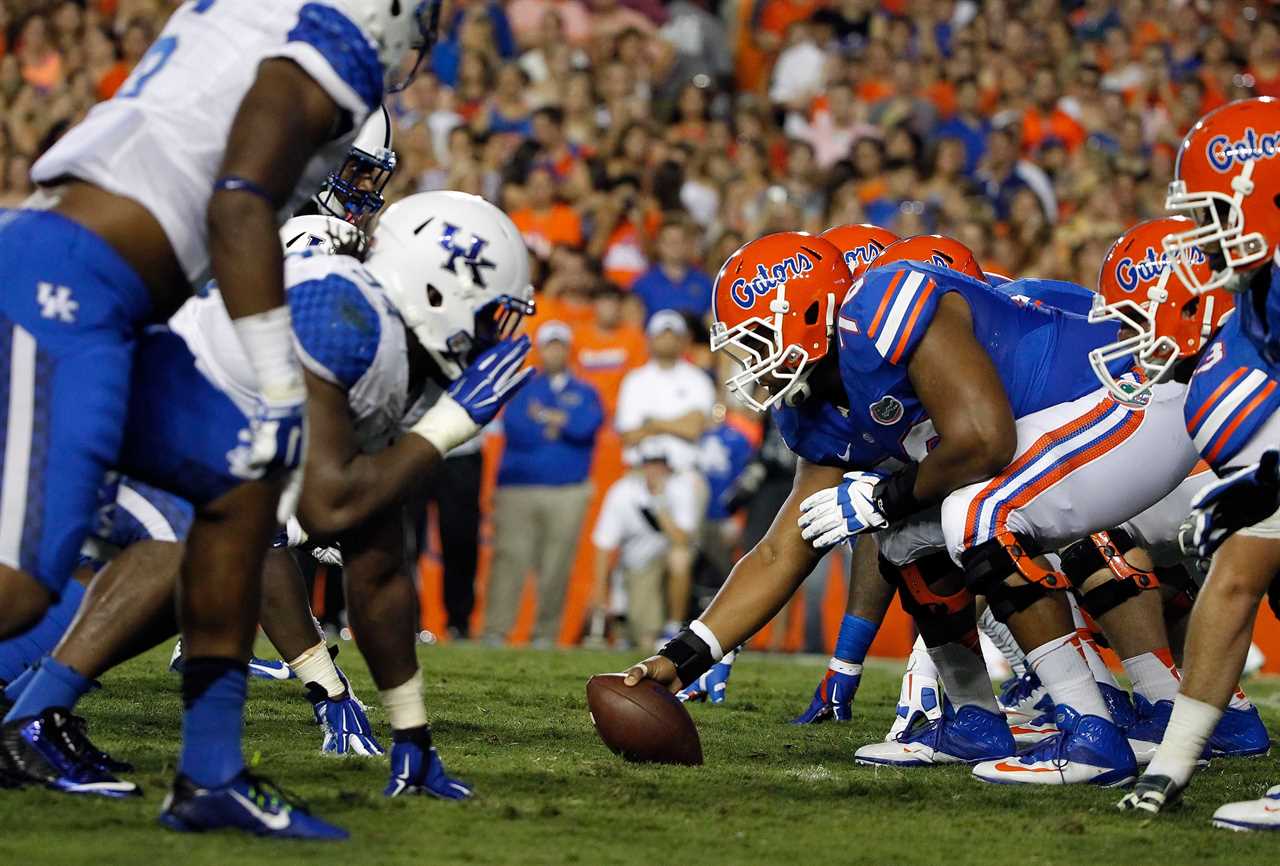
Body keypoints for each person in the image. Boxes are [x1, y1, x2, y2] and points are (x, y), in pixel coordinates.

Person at [0, 0, 430, 840]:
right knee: (22, 584)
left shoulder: (244, 19)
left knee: (238, 486)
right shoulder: (329, 35)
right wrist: (277, 385)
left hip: (117, 302)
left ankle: (210, 775)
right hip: (72, 287)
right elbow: (238, 202)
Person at [621, 230, 1200, 788]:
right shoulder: (818, 404)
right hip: (1074, 438)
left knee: (973, 513)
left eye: (755, 341)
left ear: (804, 315)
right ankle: (975, 719)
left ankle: (1088, 732)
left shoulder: (881, 308)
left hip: (1132, 400)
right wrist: (683, 656)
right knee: (904, 536)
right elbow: (782, 548)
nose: (750, 363)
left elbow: (984, 441)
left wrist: (881, 495)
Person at [1117, 97, 1280, 830]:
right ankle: (1174, 760)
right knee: (1241, 567)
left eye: (1217, 212)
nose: (1205, 237)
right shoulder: (1263, 287)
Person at [484, 320, 603, 647]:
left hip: (567, 490)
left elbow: (586, 426)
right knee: (510, 559)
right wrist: (560, 424)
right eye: (549, 344)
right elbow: (518, 428)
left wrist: (548, 418)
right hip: (518, 488)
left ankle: (545, 634)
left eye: (560, 344)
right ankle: (496, 630)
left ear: (568, 349)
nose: (554, 351)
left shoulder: (585, 390)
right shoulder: (521, 385)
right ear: (541, 348)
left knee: (557, 566)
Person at [615, 309, 713, 633]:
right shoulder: (635, 380)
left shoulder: (697, 378)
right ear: (650, 339)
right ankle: (626, 623)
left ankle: (673, 626)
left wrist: (652, 424)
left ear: (684, 339)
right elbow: (628, 433)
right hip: (639, 477)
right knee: (634, 559)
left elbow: (696, 428)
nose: (667, 340)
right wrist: (676, 424)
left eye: (673, 334)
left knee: (680, 552)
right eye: (661, 333)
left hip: (683, 476)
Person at [589, 441, 704, 649]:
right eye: (650, 464)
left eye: (660, 464)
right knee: (644, 638)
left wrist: (659, 503)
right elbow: (604, 543)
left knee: (680, 557)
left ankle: (673, 625)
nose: (655, 470)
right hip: (638, 565)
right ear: (641, 467)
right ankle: (633, 631)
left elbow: (681, 539)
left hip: (666, 559)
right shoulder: (623, 492)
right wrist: (599, 591)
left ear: (668, 467)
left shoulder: (680, 488)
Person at [630, 218, 714, 322]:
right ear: (658, 245)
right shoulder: (642, 284)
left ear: (688, 245)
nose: (675, 246)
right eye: (669, 241)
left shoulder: (705, 283)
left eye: (680, 241)